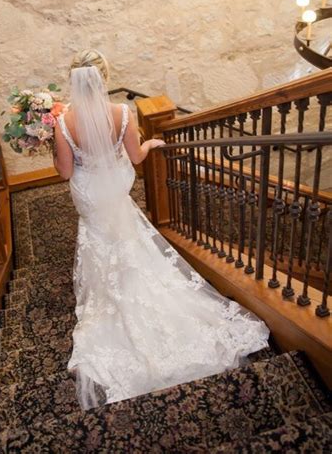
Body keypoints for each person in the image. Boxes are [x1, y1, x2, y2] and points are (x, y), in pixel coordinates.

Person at [53, 49, 269, 411]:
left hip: (89, 191)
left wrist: (54, 150)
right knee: (128, 236)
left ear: (73, 81)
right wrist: (152, 143)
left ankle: (110, 291)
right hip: (116, 187)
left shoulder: (62, 122)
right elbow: (136, 157)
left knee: (100, 238)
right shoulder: (123, 112)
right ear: (104, 78)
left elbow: (63, 172)